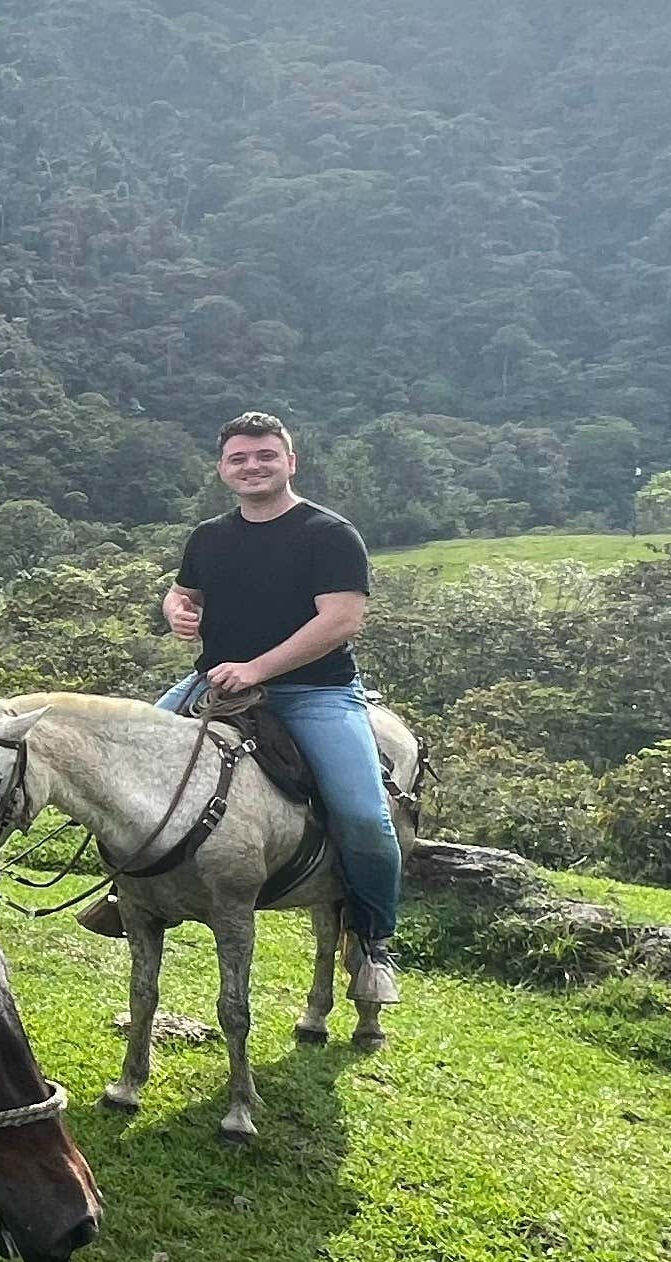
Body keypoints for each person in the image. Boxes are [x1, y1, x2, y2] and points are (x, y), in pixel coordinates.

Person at [140, 410, 404, 1005]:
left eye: (265, 456)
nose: (252, 466)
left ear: (291, 460)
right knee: (133, 759)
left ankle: (372, 941)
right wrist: (175, 609)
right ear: (222, 469)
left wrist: (257, 668)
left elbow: (341, 619)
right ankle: (126, 893)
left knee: (364, 816)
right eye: (239, 458)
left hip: (316, 692)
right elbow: (185, 590)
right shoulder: (210, 536)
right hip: (217, 685)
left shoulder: (328, 534)